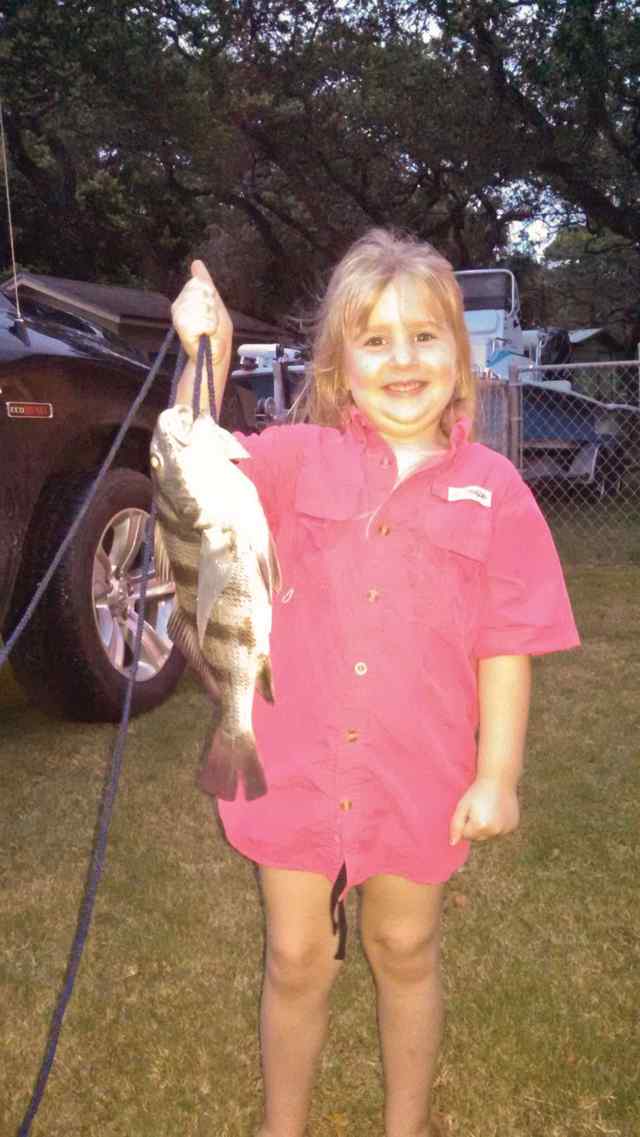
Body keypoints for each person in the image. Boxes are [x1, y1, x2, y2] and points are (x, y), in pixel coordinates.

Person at [170, 228, 580, 1137]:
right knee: (295, 954)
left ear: (460, 359)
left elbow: (506, 645)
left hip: (418, 775)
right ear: (338, 365)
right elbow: (192, 465)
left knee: (406, 945)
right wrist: (205, 354)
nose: (403, 358)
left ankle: (407, 1123)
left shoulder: (497, 490)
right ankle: (284, 1124)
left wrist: (498, 774)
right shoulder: (292, 458)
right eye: (376, 338)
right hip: (289, 761)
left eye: (426, 336)